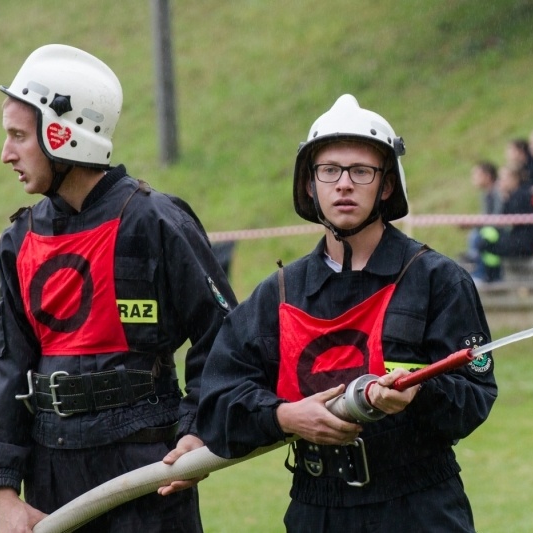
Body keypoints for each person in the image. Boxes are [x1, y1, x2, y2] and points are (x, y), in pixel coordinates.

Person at [195, 94, 497, 532]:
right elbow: (218, 403)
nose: (344, 184)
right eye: (329, 171)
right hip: (316, 507)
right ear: (310, 185)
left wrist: (418, 395)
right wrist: (283, 416)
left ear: (386, 186)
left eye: (361, 171)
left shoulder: (438, 281)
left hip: (418, 506)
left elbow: (475, 396)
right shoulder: (277, 296)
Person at [0, 44, 237, 532]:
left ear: (62, 134)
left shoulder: (156, 221)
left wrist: (198, 430)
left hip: (149, 473)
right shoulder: (19, 241)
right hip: (51, 477)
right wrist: (5, 494)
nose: (6, 154)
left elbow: (225, 336)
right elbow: (8, 369)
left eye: (17, 136)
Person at [472, 165, 533, 283]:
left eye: (504, 179)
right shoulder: (512, 196)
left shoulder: (521, 195)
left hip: (526, 241)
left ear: (514, 179)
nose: (500, 182)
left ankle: (493, 277)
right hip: (518, 237)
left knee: (486, 245)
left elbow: (509, 222)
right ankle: (489, 276)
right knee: (484, 242)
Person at [458, 160, 502, 278]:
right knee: (474, 235)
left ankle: (480, 275)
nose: (473, 179)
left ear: (487, 176)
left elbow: (497, 217)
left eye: (477, 175)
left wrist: (474, 223)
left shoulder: (498, 192)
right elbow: (486, 217)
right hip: (491, 229)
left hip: (501, 231)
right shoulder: (485, 194)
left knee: (476, 238)